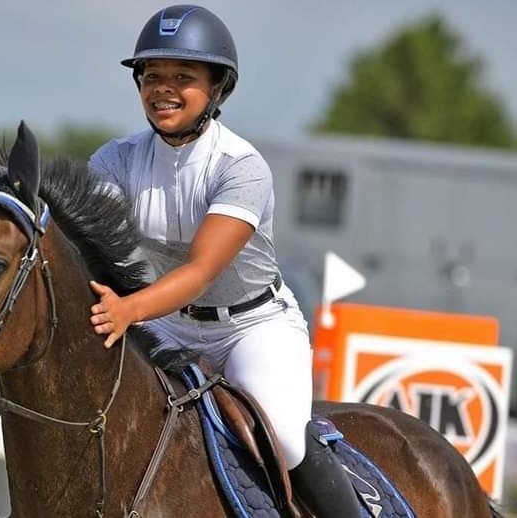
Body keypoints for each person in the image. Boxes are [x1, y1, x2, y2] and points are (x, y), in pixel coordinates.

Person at [87, 5, 361, 517]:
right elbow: (89, 247)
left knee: (284, 437)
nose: (162, 88)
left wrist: (126, 311)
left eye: (182, 77)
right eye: (152, 76)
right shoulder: (113, 160)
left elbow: (199, 271)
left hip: (250, 326)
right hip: (165, 322)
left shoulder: (241, 167)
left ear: (217, 89)